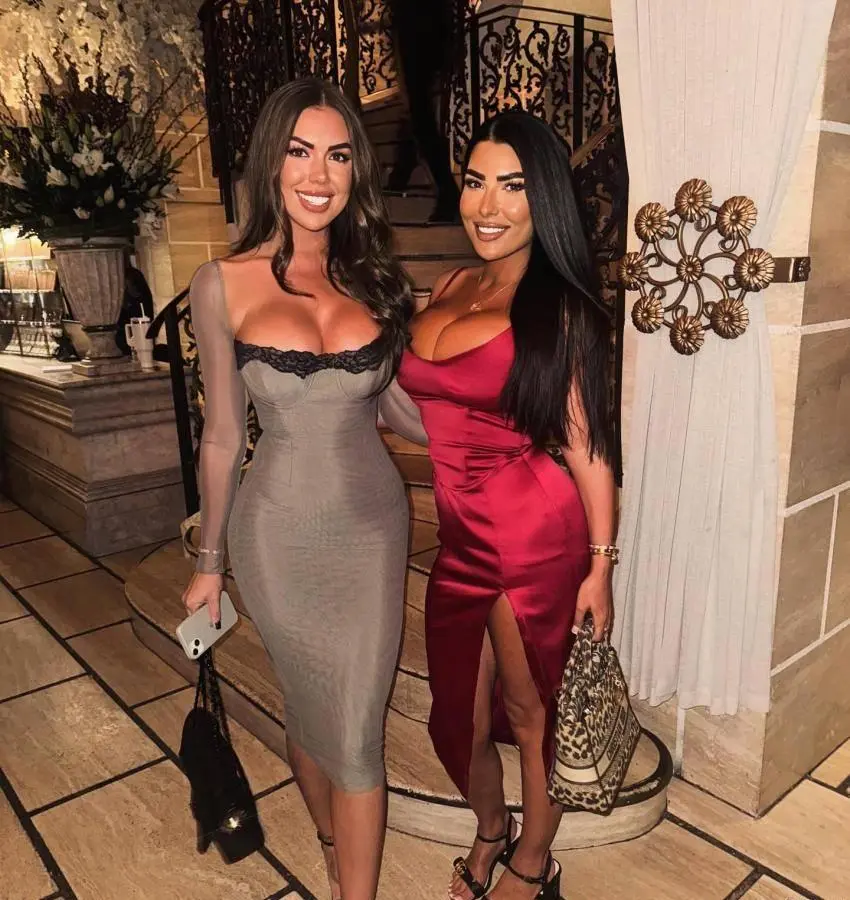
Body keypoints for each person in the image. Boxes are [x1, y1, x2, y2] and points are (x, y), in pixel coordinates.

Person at [181, 77, 422, 900]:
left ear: (357, 172)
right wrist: (210, 562)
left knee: (356, 732)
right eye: (299, 151)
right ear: (270, 163)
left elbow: (400, 410)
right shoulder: (222, 283)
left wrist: (499, 415)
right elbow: (222, 435)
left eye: (339, 155)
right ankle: (329, 838)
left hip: (373, 531)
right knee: (310, 701)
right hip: (276, 535)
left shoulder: (376, 280)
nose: (319, 175)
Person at [396, 110, 617, 900]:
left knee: (531, 712)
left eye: (513, 186)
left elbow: (586, 445)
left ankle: (533, 861)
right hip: (460, 536)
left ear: (542, 197)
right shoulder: (453, 285)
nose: (487, 206)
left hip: (533, 533)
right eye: (475, 182)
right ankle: (491, 825)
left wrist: (601, 565)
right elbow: (426, 404)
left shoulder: (560, 306)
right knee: (455, 716)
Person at [386, 0, 462, 222]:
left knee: (420, 116)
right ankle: (403, 169)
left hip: (419, 29)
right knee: (416, 111)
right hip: (426, 28)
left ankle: (448, 193)